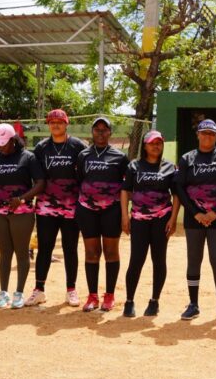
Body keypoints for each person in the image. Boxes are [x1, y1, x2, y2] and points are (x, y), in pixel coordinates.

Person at [175, 119, 216, 322]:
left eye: (212, 133)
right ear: (198, 135)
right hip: (194, 218)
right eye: (204, 133)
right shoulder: (187, 158)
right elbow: (180, 188)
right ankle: (193, 305)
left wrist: (215, 212)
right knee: (194, 260)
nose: (207, 136)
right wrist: (196, 213)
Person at [0, 123, 45, 309]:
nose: (0, 147)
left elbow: (40, 183)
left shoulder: (28, 157)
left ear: (13, 140)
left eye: (3, 143)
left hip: (22, 213)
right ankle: (3, 294)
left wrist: (22, 199)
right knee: (4, 253)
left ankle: (19, 294)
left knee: (21, 252)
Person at [26, 109, 86, 307]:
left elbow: (86, 171)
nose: (56, 125)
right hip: (46, 206)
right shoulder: (42, 147)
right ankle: (39, 290)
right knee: (45, 247)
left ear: (66, 124)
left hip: (71, 206)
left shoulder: (78, 146)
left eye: (59, 122)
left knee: (70, 248)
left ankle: (71, 290)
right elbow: (35, 175)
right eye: (52, 122)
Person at [120, 130, 180, 317]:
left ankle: (154, 301)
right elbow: (125, 191)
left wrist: (173, 219)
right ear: (144, 146)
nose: (156, 146)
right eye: (152, 143)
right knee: (136, 260)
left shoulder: (170, 167)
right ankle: (129, 301)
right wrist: (125, 216)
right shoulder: (134, 166)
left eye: (159, 143)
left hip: (162, 220)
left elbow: (176, 195)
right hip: (139, 220)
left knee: (159, 260)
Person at [75, 117, 129, 312]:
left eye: (104, 129)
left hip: (111, 210)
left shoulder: (120, 157)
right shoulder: (83, 155)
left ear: (110, 133)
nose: (100, 133)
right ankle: (92, 296)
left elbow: (126, 186)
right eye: (97, 129)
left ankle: (110, 295)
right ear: (92, 132)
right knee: (91, 252)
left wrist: (124, 213)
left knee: (111, 251)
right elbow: (80, 180)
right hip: (87, 210)